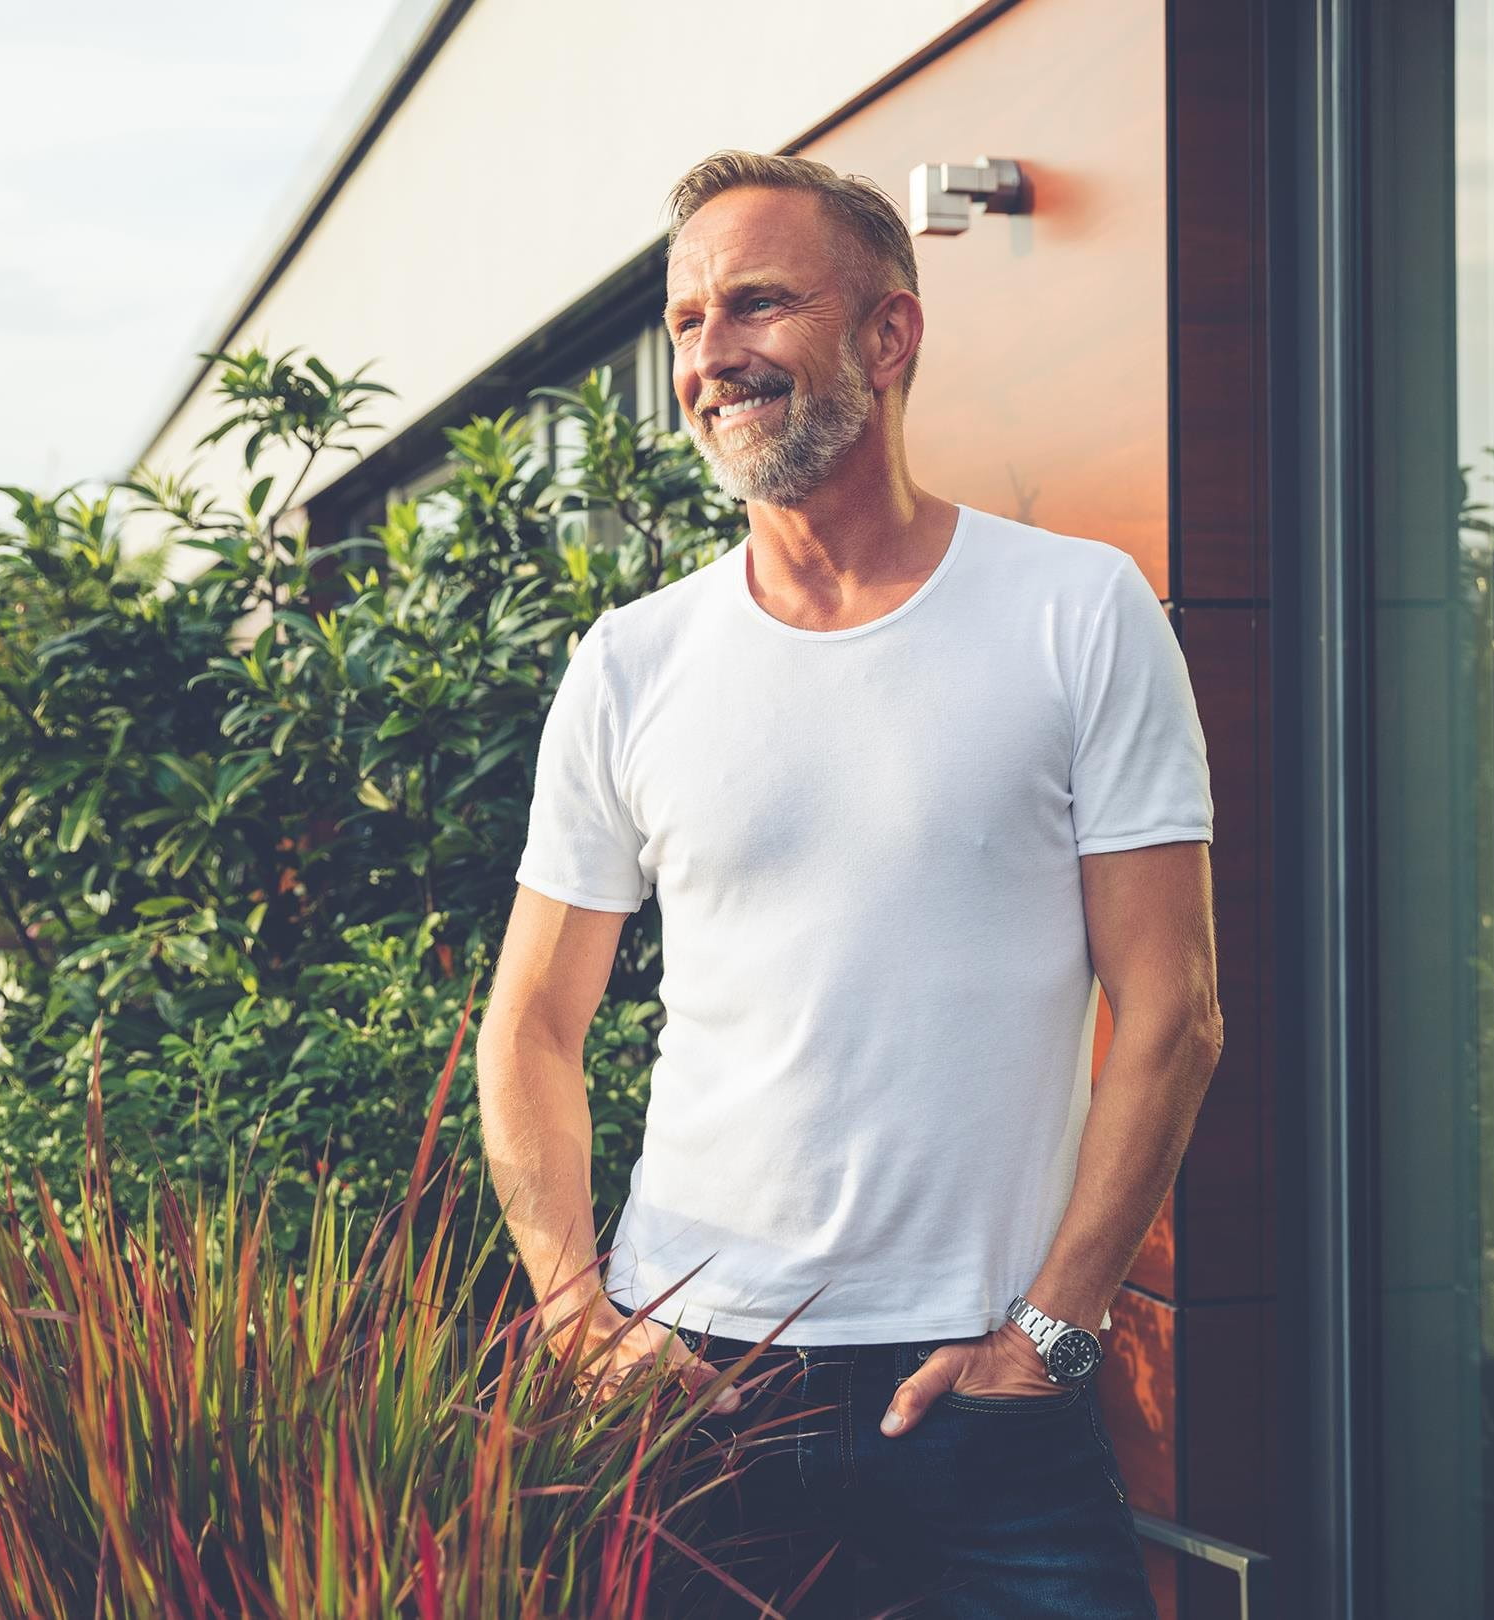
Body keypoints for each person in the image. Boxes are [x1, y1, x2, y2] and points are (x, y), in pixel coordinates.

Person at [474, 148, 1221, 1619]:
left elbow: (1176, 1011)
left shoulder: (1079, 613)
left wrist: (1052, 1333)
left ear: (889, 337)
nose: (710, 354)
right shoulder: (632, 662)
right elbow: (529, 1030)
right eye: (687, 320)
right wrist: (579, 1326)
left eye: (756, 304)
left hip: (989, 1403)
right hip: (698, 1396)